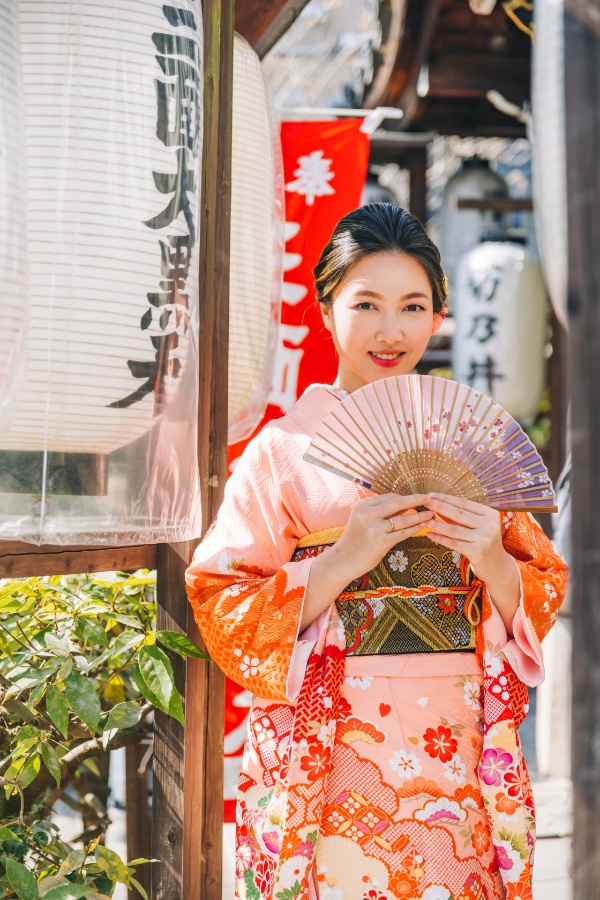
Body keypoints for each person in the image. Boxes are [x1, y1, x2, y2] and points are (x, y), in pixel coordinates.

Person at [185, 203, 568, 900]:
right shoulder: (282, 450)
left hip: (456, 742)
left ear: (438, 313)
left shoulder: (472, 447)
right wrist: (338, 561)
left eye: (413, 305)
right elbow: (219, 594)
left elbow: (542, 587)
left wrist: (495, 563)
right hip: (331, 744)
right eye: (367, 304)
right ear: (326, 305)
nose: (392, 331)